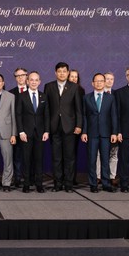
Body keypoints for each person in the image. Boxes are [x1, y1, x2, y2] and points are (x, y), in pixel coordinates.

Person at [43, 62, 82, 192]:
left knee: (69, 157)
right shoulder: (49, 86)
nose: (62, 73)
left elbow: (78, 109)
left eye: (64, 71)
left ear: (68, 72)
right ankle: (57, 184)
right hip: (54, 127)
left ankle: (69, 185)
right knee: (56, 157)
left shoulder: (74, 87)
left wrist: (79, 125)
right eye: (59, 71)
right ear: (55, 73)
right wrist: (47, 128)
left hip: (70, 127)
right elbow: (47, 109)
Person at [81, 73, 119, 193]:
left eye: (101, 81)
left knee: (105, 159)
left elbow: (114, 116)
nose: (99, 83)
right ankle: (93, 184)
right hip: (91, 134)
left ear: (104, 83)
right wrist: (84, 132)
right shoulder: (87, 98)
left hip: (106, 133)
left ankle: (106, 183)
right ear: (92, 83)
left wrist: (114, 132)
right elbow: (84, 116)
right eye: (96, 81)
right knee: (92, 160)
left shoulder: (110, 98)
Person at [15, 71, 49, 193]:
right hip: (26, 133)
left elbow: (46, 115)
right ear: (27, 81)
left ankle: (39, 184)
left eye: (36, 80)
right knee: (26, 159)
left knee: (39, 159)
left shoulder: (43, 96)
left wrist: (47, 131)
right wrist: (21, 131)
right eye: (31, 80)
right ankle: (26, 184)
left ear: (39, 82)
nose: (34, 82)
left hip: (40, 133)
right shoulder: (21, 96)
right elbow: (18, 115)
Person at [9, 68, 28, 187]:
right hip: (15, 130)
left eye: (23, 75)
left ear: (27, 76)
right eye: (18, 76)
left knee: (30, 155)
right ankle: (17, 178)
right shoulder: (11, 93)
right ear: (15, 78)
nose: (20, 77)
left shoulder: (34, 91)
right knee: (17, 155)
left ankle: (29, 178)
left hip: (31, 129)